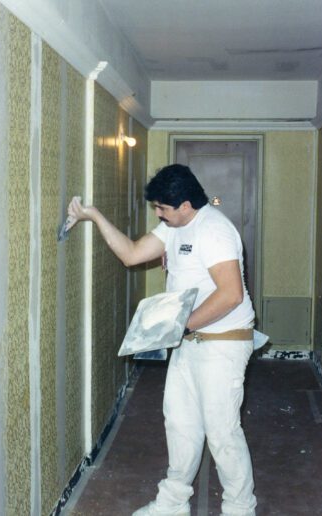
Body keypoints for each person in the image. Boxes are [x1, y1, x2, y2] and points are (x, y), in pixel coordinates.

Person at [67, 164, 257, 516]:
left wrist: (180, 328)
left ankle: (240, 508)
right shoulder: (174, 226)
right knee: (180, 422)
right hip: (190, 341)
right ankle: (173, 503)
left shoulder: (213, 231)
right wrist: (93, 216)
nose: (157, 214)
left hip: (223, 343)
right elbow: (131, 254)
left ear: (185, 205)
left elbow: (230, 294)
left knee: (221, 432)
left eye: (162, 208)